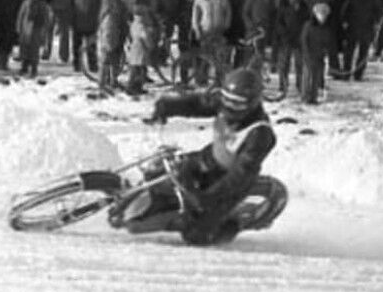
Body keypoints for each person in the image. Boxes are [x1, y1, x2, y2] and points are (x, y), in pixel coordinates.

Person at [117, 68, 277, 245]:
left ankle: (228, 227)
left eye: (237, 104)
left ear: (252, 103)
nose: (229, 107)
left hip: (227, 184)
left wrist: (209, 197)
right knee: (162, 173)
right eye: (227, 100)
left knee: (195, 234)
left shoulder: (260, 134)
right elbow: (198, 103)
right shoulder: (222, 104)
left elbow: (241, 174)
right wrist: (168, 107)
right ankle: (146, 207)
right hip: (208, 160)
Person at [15, 0, 51, 76]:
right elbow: (21, 15)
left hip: (37, 30)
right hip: (26, 30)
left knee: (34, 51)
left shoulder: (43, 4)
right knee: (24, 50)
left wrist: (45, 30)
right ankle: (24, 67)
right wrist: (19, 27)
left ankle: (34, 68)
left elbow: (46, 18)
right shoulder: (26, 2)